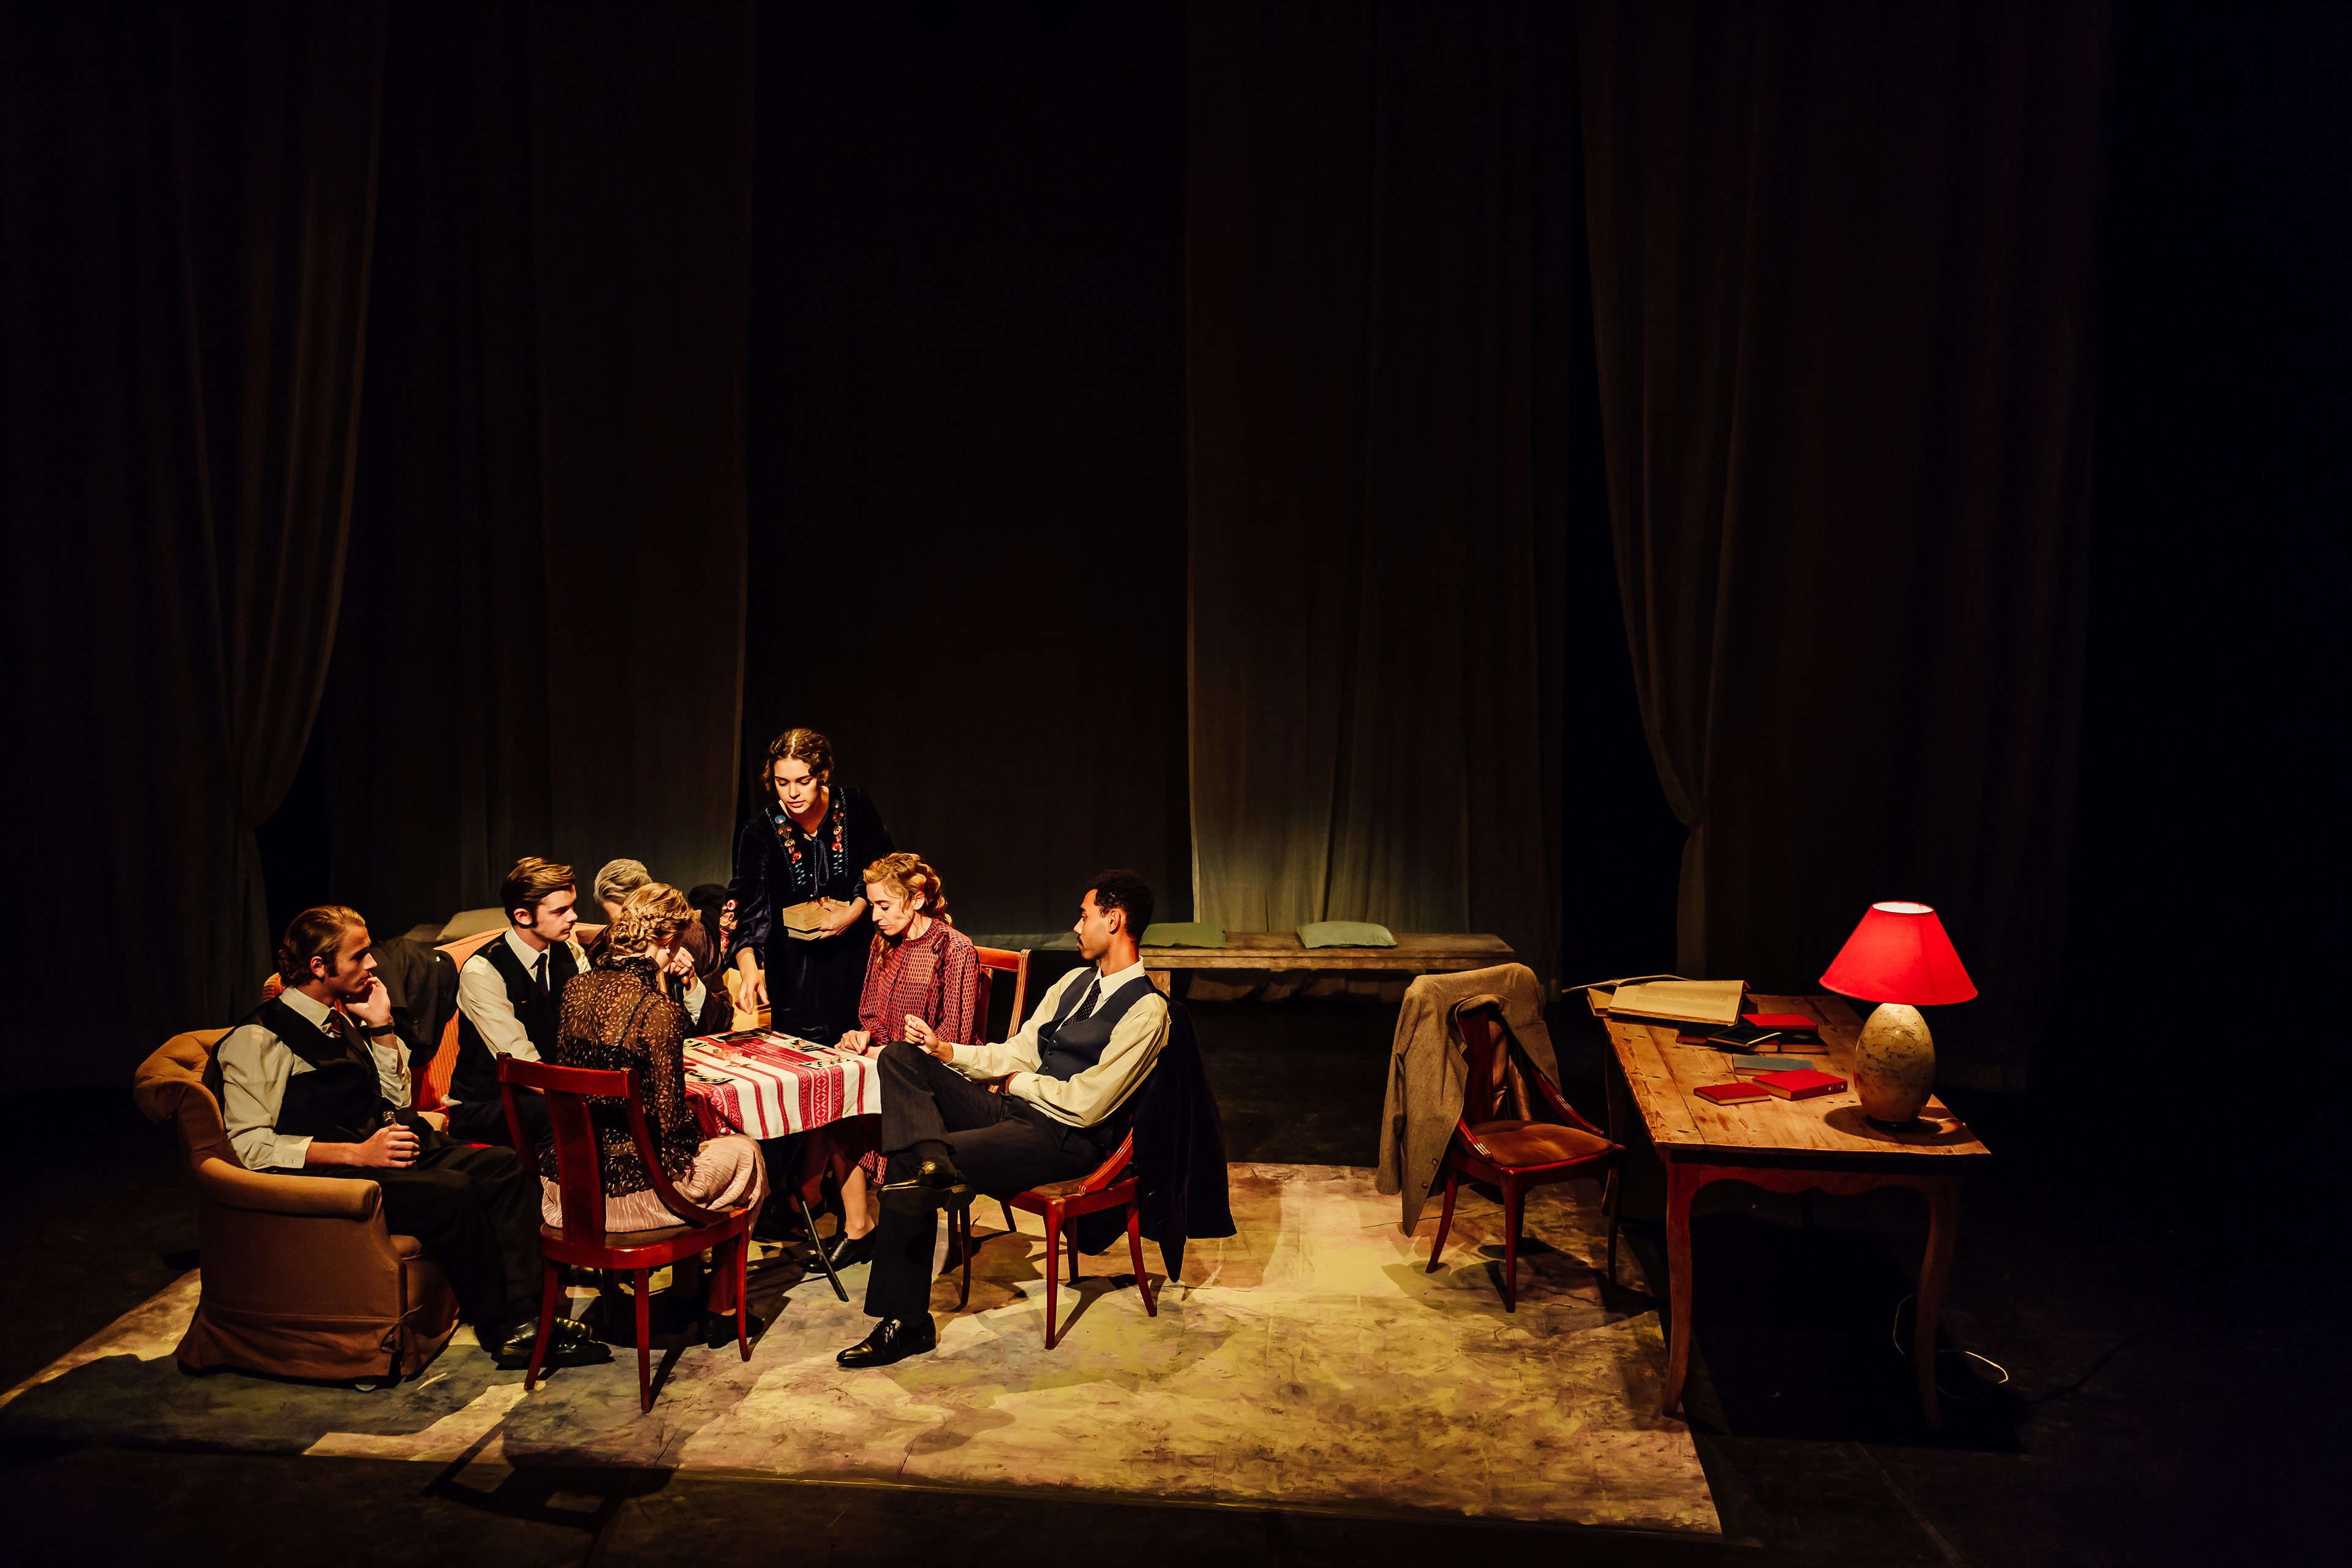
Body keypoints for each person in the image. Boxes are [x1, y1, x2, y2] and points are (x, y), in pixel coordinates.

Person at [214, 906, 607, 1370]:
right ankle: (501, 1324)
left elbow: (394, 1101)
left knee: (502, 1166)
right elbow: (248, 1145)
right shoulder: (258, 1038)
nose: (373, 963)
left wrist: (381, 1029)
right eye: (358, 956)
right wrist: (357, 1154)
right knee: (451, 1192)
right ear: (319, 966)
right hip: (331, 1172)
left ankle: (528, 1318)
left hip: (381, 1149)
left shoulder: (342, 1018)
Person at [838, 870, 1170, 1369]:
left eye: (1084, 916)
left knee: (907, 1164)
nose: (1076, 927)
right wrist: (945, 1051)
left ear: (1114, 920)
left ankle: (907, 1324)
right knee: (901, 1058)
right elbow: (1018, 1051)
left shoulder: (1148, 1011)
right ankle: (934, 1164)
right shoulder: (1074, 983)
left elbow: (1088, 1103)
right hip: (1015, 1114)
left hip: (1066, 1140)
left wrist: (1019, 1084)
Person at [549, 881, 769, 1344]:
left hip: (569, 1189)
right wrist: (695, 1139)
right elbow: (670, 1127)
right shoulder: (657, 1011)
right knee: (745, 1154)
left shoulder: (575, 989)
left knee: (702, 1147)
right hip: (632, 1198)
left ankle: (686, 1292)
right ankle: (722, 1308)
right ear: (668, 941)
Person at [809, 851, 981, 1270]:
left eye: (884, 906)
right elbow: (871, 1012)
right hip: (884, 1065)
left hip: (935, 1079)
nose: (875, 916)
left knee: (853, 1107)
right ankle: (859, 1227)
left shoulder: (954, 949)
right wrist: (863, 1035)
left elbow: (954, 1040)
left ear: (917, 899)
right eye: (873, 906)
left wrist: (886, 1054)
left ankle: (898, 1232)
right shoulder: (884, 943)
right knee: (834, 1102)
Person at [722, 728, 893, 1045]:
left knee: (862, 1053)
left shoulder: (854, 805)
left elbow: (883, 868)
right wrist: (748, 969)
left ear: (822, 774)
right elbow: (744, 909)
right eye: (782, 782)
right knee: (801, 1061)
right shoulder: (760, 831)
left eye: (803, 781)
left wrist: (854, 911)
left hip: (857, 962)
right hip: (794, 976)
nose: (792, 793)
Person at [587, 858, 730, 1034]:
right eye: (619, 922)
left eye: (636, 921)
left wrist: (692, 981)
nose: (628, 931)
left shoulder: (693, 937)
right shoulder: (603, 947)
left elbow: (722, 1020)